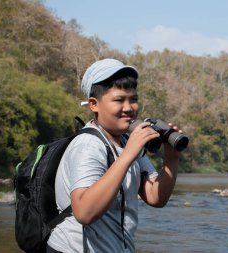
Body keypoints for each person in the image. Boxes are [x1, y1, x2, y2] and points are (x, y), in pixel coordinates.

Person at [47, 58, 182, 253]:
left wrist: (171, 159)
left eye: (133, 99)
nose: (129, 108)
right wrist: (127, 156)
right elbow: (84, 212)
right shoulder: (88, 145)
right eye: (119, 100)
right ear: (94, 104)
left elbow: (155, 197)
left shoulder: (128, 142)